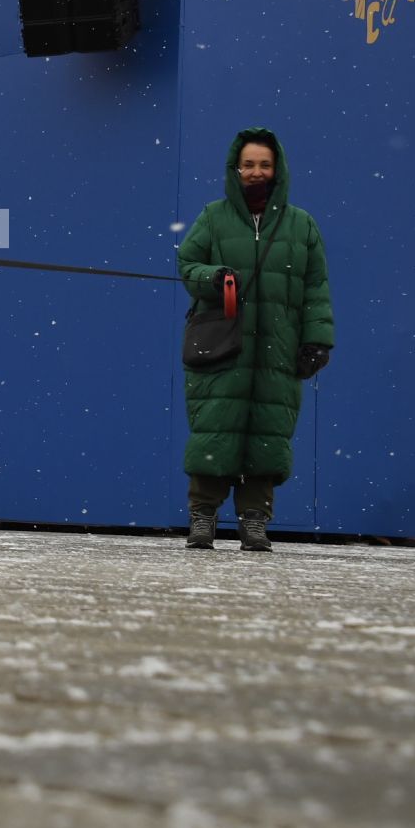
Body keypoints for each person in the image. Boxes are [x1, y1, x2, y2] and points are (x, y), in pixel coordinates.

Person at [176, 128, 333, 552]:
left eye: (264, 164)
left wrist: (318, 340)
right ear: (236, 169)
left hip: (277, 351)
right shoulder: (213, 217)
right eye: (248, 165)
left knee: (268, 435)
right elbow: (187, 262)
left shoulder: (302, 225)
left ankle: (254, 522)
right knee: (214, 432)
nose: (256, 172)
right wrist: (214, 277)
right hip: (222, 348)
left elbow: (316, 287)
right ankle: (202, 519)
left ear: (277, 169)